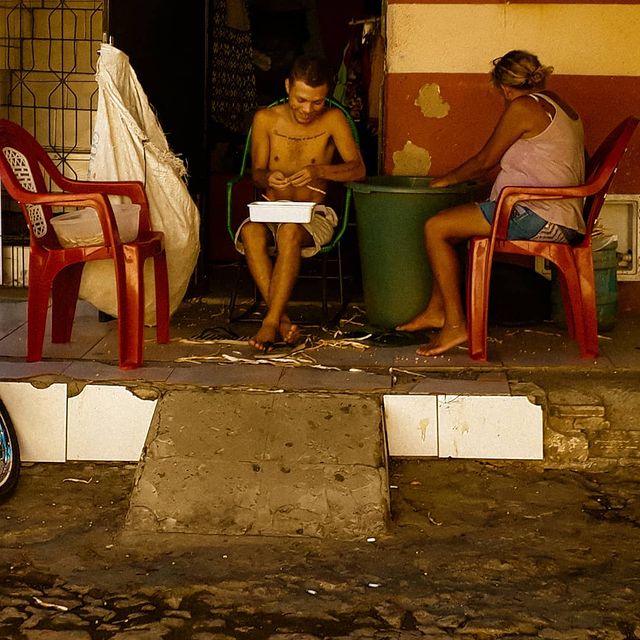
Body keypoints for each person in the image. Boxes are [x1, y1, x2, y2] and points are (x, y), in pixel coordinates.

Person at [397, 50, 585, 357]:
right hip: (556, 214)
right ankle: (436, 310)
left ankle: (456, 325)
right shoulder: (556, 103)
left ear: (505, 88)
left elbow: (485, 161)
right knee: (451, 229)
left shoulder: (523, 107)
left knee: (435, 228)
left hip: (539, 216)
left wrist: (444, 180)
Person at [235, 55, 366, 352]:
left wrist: (320, 171)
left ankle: (270, 322)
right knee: (250, 232)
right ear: (287, 87)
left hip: (313, 215)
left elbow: (359, 170)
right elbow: (256, 174)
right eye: (301, 100)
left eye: (317, 102)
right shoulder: (265, 119)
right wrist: (269, 177)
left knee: (289, 232)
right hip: (272, 209)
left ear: (327, 95)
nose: (308, 110)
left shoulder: (333, 120)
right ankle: (281, 320)